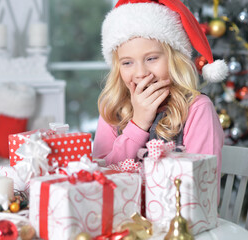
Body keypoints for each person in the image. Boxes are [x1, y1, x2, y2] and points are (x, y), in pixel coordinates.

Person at [93, 0, 227, 192]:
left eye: (151, 58)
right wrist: (138, 125)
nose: (140, 73)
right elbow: (99, 179)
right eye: (127, 63)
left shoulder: (197, 109)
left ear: (175, 59)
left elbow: (202, 189)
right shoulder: (112, 109)